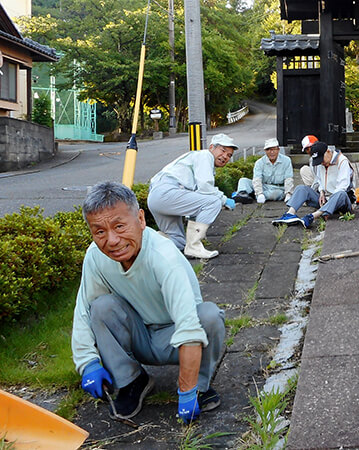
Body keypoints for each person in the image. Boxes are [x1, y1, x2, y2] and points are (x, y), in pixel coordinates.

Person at [72, 182, 225, 423]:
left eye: (119, 226)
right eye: (99, 231)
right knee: (102, 307)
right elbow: (84, 309)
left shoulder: (163, 255)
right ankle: (132, 381)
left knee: (209, 317)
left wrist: (186, 391)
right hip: (140, 335)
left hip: (177, 338)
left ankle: (201, 387)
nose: (111, 240)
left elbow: (188, 326)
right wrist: (87, 362)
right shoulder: (95, 257)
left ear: (141, 220)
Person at [147, 133, 238, 259]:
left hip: (156, 196)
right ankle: (194, 247)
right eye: (223, 151)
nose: (225, 157)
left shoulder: (197, 158)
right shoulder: (205, 155)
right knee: (213, 202)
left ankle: (147, 245)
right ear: (211, 147)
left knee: (178, 241)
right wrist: (223, 199)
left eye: (229, 155)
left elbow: (197, 196)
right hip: (168, 192)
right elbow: (205, 187)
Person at [272, 142, 354, 228]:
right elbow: (319, 180)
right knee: (301, 188)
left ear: (328, 152)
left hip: (341, 202)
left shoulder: (342, 161)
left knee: (341, 194)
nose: (322, 163)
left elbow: (343, 186)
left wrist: (329, 202)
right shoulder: (320, 163)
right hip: (325, 200)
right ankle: (290, 214)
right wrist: (321, 192)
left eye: (322, 159)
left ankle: (312, 216)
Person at [232, 138, 294, 204]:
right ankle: (243, 194)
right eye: (268, 149)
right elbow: (257, 179)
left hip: (278, 188)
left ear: (278, 150)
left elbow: (289, 178)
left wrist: (288, 193)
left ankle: (252, 194)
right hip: (263, 185)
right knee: (243, 180)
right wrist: (259, 193)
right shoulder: (259, 162)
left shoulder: (286, 160)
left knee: (275, 194)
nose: (271, 152)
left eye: (274, 149)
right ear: (265, 151)